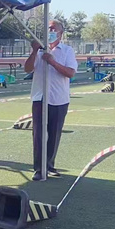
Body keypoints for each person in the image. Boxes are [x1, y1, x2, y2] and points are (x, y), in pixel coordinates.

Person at [23, 20, 78, 181]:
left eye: (54, 29)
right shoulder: (39, 51)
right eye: (49, 29)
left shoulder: (67, 51)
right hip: (40, 98)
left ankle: (49, 165)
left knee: (54, 134)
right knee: (38, 135)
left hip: (59, 98)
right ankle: (39, 168)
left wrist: (53, 62)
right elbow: (27, 69)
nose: (51, 31)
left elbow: (70, 73)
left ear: (61, 33)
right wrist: (34, 51)